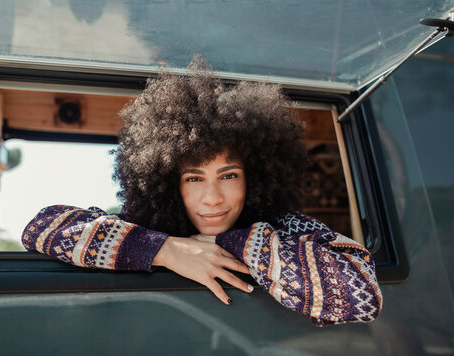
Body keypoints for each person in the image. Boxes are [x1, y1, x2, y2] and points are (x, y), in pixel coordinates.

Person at [21, 57, 382, 326]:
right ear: (166, 182)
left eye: (228, 176)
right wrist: (164, 249)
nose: (212, 198)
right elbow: (41, 229)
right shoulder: (142, 227)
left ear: (255, 177)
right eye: (194, 178)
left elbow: (363, 296)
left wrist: (235, 244)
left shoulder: (284, 229)